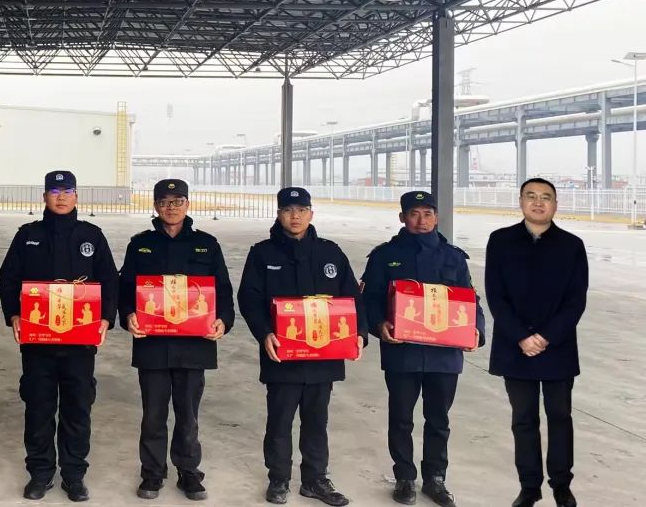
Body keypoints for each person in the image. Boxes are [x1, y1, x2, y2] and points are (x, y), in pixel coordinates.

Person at [237, 187, 366, 506]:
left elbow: (352, 297)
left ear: (311, 214)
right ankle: (278, 478)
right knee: (279, 421)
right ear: (278, 214)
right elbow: (249, 298)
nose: (294, 216)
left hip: (324, 355)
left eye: (301, 210)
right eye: (288, 210)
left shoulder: (330, 253)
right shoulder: (263, 254)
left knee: (317, 422)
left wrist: (359, 333)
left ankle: (315, 479)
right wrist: (264, 333)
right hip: (282, 354)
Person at [0, 171, 119, 502]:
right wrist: (13, 314)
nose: (61, 196)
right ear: (44, 197)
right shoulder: (28, 235)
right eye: (54, 191)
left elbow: (110, 279)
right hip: (38, 343)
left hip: (79, 343)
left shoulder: (91, 236)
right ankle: (40, 474)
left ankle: (74, 475)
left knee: (77, 409)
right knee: (38, 408)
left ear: (76, 196)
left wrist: (106, 318)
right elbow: (8, 278)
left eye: (67, 191)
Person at [360, 191, 485, 507]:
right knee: (401, 417)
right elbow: (369, 299)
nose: (421, 220)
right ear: (402, 218)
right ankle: (404, 477)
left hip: (444, 355)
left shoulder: (453, 257)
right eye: (414, 214)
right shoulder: (385, 256)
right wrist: (379, 325)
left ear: (436, 218)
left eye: (427, 214)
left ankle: (435, 478)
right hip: (402, 352)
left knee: (438, 419)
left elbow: (470, 298)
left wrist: (477, 330)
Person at [118, 179, 234, 501]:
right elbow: (125, 288)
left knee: (188, 414)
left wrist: (223, 320)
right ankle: (152, 473)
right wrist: (128, 315)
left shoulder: (207, 245)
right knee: (153, 414)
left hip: (194, 345)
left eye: (177, 201)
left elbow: (223, 289)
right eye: (164, 202)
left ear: (187, 204)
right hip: (153, 344)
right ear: (155, 206)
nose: (171, 207)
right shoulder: (140, 245)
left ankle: (189, 472)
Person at [485, 178, 587, 507]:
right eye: (531, 196)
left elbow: (576, 300)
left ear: (555, 205)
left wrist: (545, 337)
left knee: (560, 417)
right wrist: (521, 336)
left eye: (546, 197)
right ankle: (529, 487)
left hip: (557, 347)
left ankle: (561, 485)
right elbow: (496, 296)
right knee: (523, 419)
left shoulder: (572, 245)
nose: (538, 203)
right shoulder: (500, 241)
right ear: (521, 202)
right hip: (515, 347)